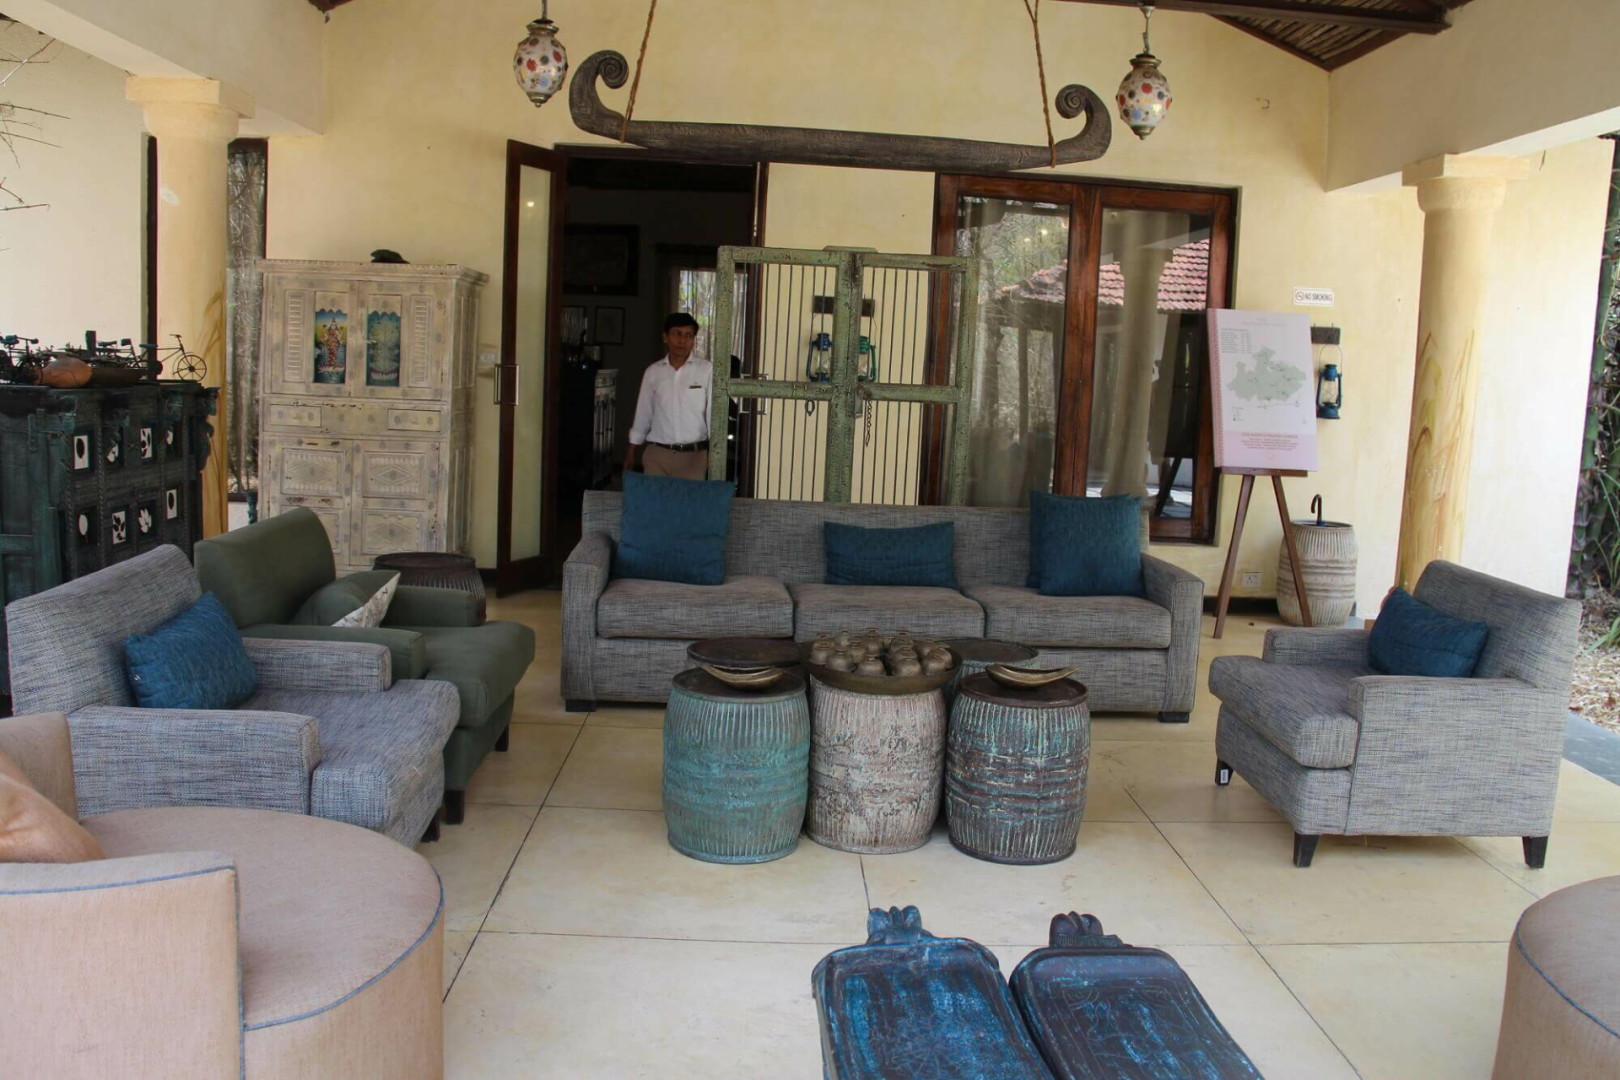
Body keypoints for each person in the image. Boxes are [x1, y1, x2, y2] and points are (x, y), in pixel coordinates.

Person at [627, 312, 713, 480]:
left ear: (694, 340)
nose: (682, 340)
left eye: (688, 335)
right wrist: (631, 450)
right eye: (677, 334)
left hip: (693, 457)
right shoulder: (653, 372)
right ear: (665, 337)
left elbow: (712, 414)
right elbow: (643, 413)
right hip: (658, 456)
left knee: (688, 498)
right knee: (655, 498)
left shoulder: (706, 370)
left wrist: (714, 451)